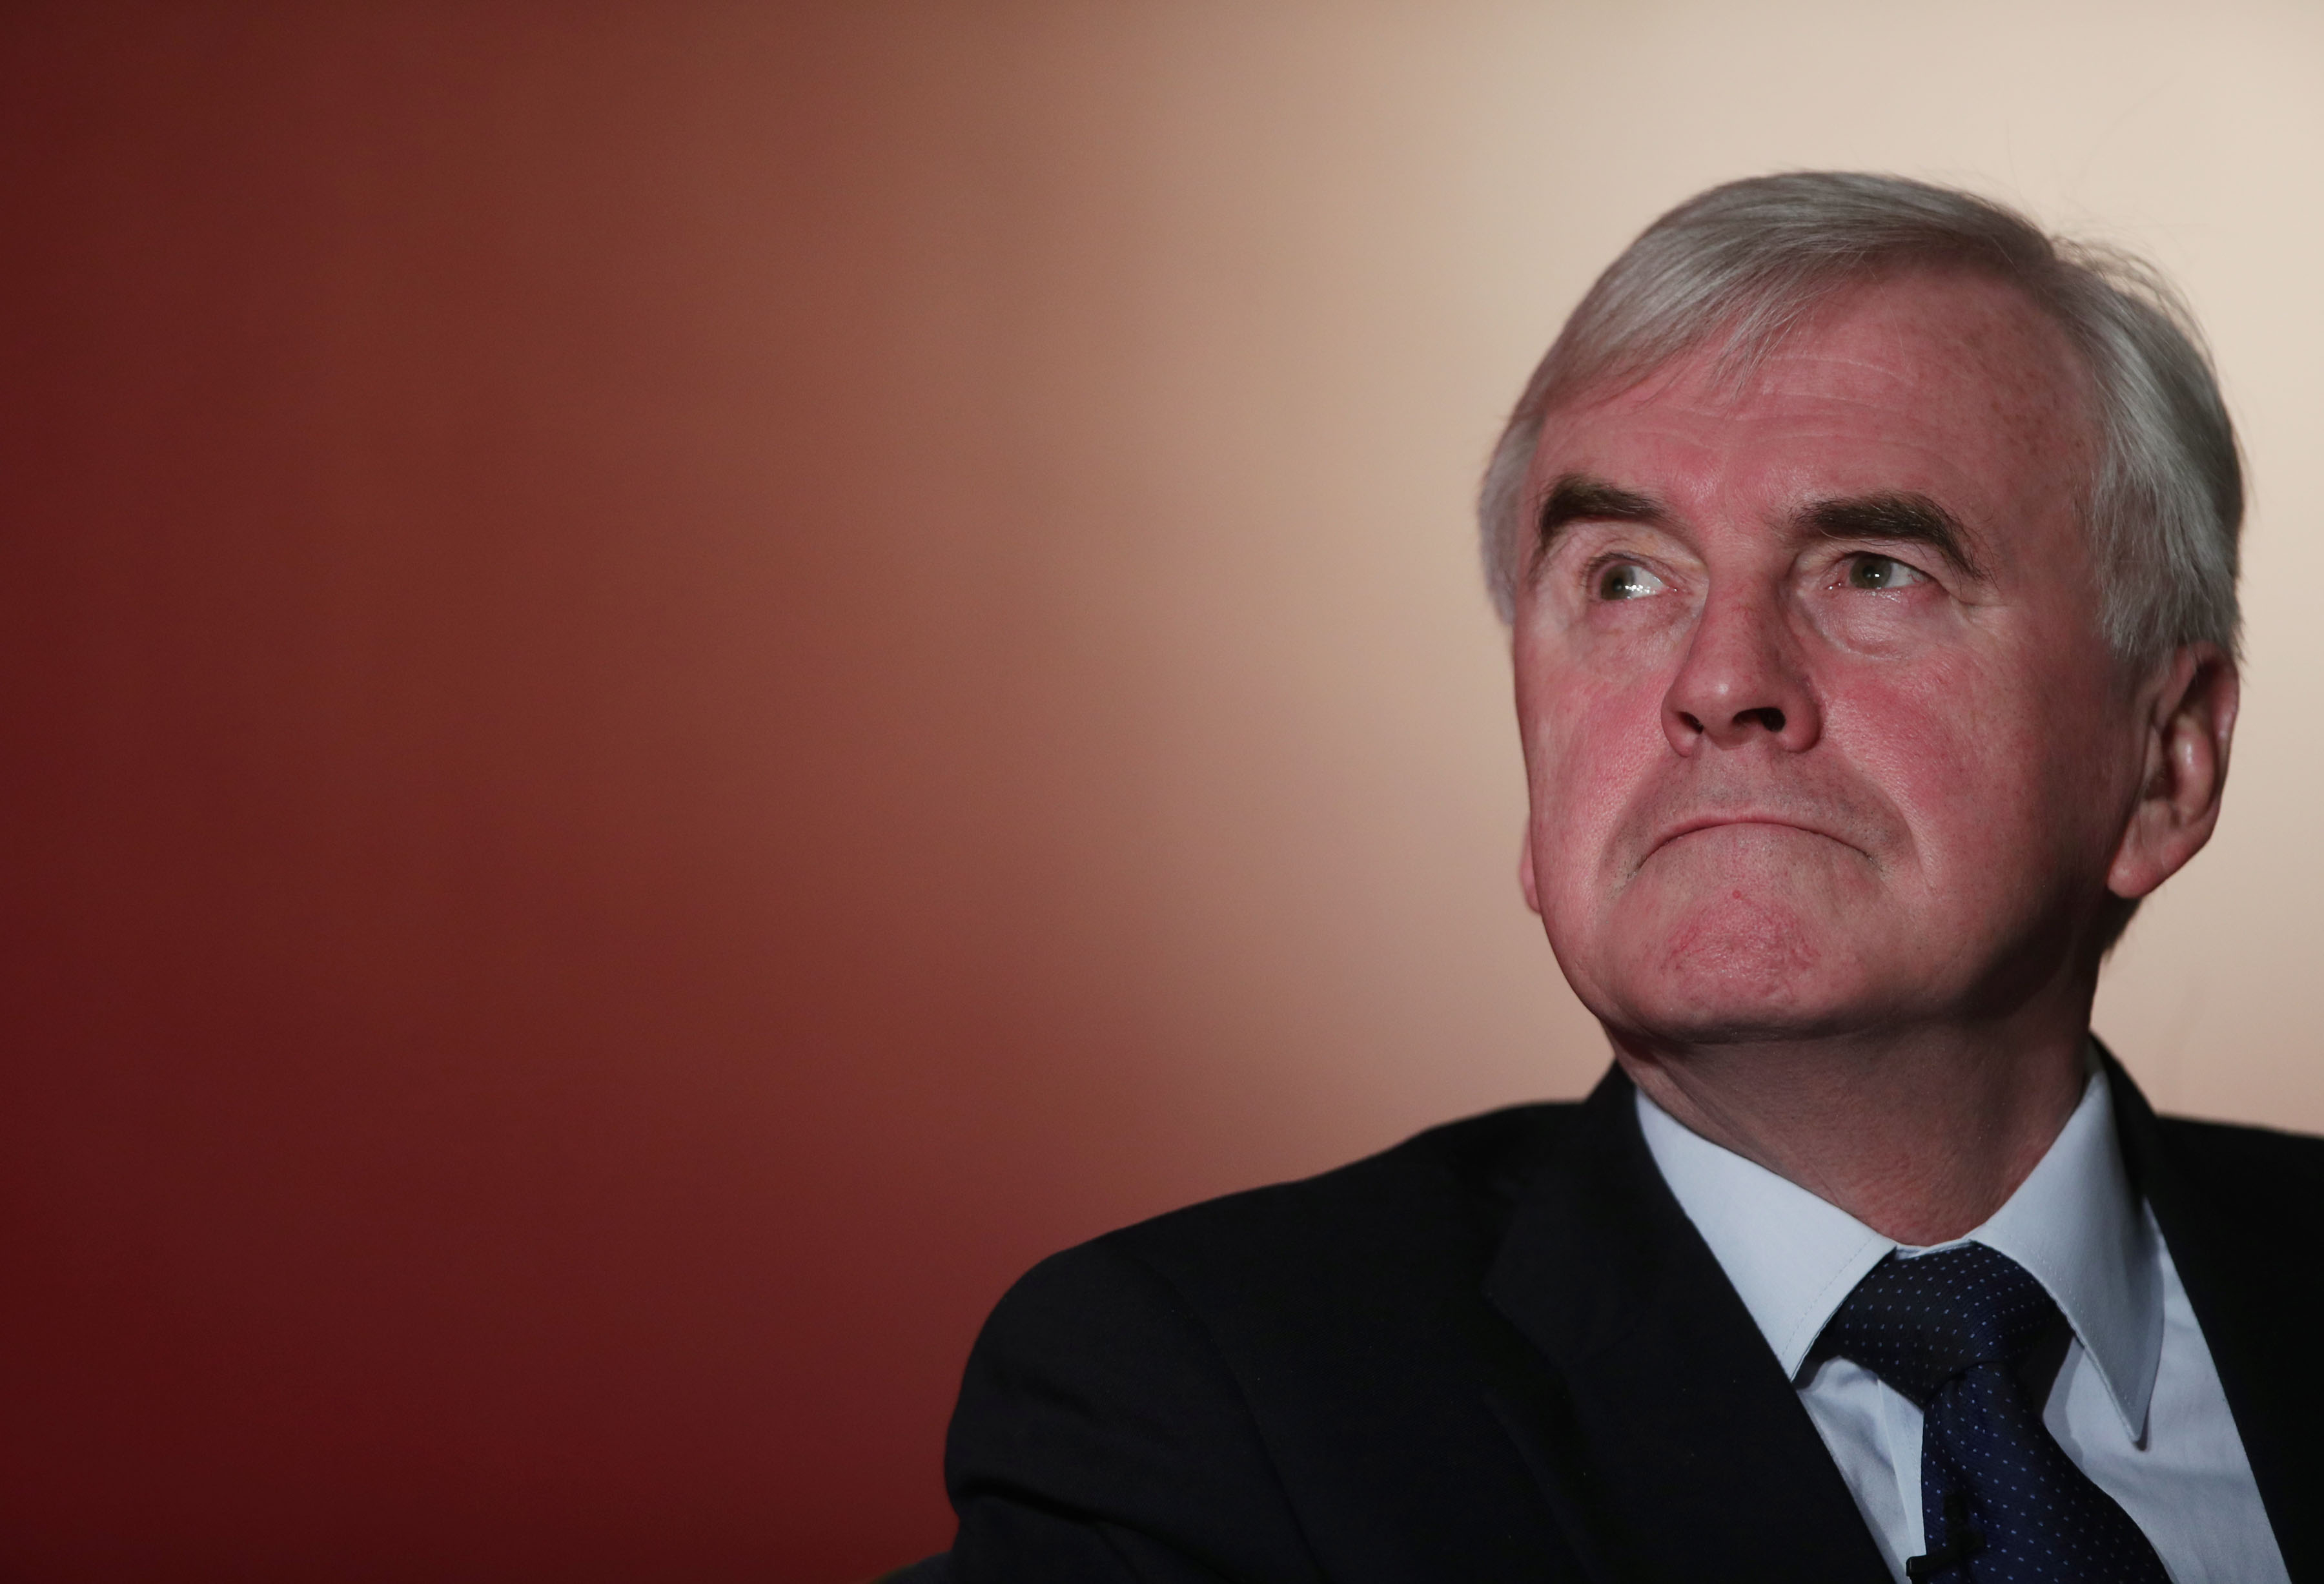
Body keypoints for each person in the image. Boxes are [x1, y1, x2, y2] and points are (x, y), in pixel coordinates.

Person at [908, 173, 2321, 1583]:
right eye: (1626, 579)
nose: (1719, 684)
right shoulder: (1199, 1411)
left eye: (1874, 570)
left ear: (2166, 762)